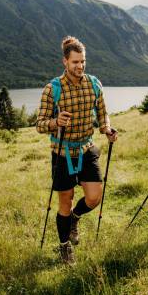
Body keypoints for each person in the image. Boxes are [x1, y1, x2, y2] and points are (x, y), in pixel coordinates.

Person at [36, 36, 118, 265]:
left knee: (94, 197)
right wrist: (54, 122)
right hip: (62, 152)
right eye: (75, 62)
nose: (80, 66)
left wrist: (107, 129)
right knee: (65, 200)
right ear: (65, 62)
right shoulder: (52, 90)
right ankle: (64, 246)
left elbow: (102, 114)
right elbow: (39, 124)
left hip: (86, 147)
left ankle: (75, 218)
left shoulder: (94, 84)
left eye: (83, 62)